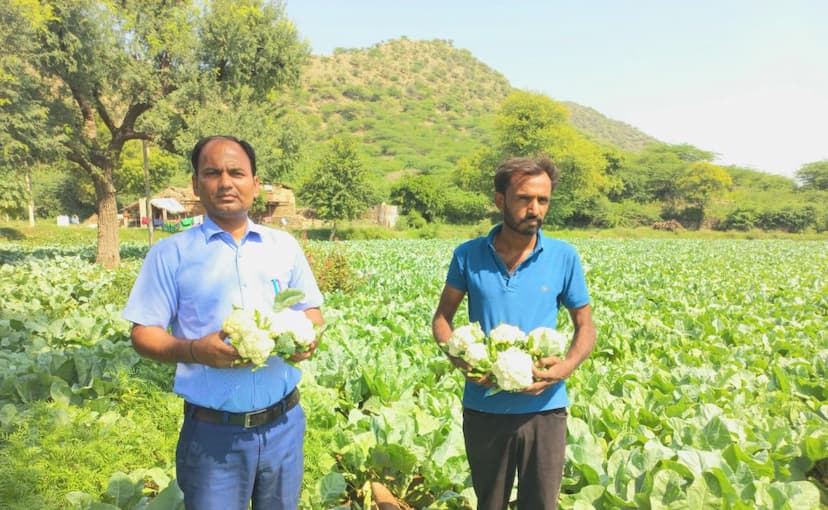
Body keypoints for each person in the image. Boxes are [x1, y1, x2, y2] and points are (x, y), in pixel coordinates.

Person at [123, 135, 324, 509]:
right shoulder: (171, 254)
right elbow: (142, 335)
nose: (226, 182)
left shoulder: (284, 247)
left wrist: (307, 338)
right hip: (214, 435)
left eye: (237, 172)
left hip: (284, 426)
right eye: (213, 173)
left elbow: (311, 311)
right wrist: (196, 350)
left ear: (254, 183)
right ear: (196, 185)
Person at [432, 155, 596, 510]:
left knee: (541, 504)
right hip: (484, 409)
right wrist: (461, 358)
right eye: (524, 198)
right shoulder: (468, 255)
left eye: (543, 200)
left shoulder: (563, 257)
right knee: (489, 503)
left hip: (545, 409)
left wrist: (564, 368)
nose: (534, 208)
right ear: (500, 200)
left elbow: (585, 326)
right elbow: (442, 319)